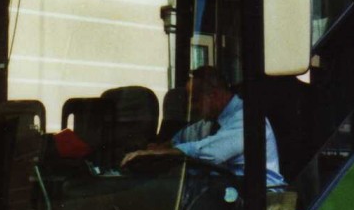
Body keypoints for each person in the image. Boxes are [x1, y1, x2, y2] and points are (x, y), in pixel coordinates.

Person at [122, 65, 285, 187]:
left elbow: (211, 152)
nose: (191, 108)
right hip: (230, 193)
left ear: (214, 95)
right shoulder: (210, 123)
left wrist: (162, 153)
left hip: (262, 200)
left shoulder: (246, 118)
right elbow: (183, 138)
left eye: (195, 100)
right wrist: (160, 148)